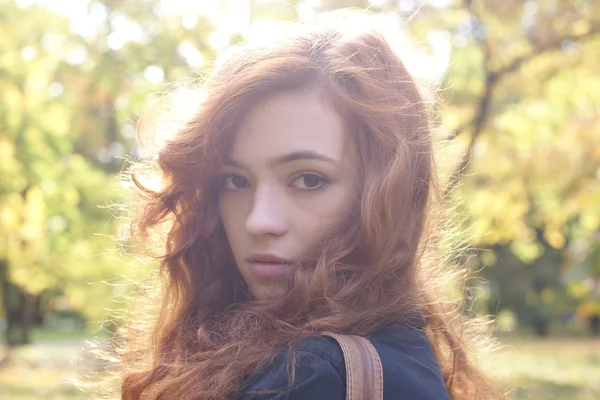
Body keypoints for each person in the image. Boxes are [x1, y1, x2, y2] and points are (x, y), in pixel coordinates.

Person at [118, 10, 502, 400]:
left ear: (386, 196)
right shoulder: (394, 347)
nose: (258, 220)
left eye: (308, 180)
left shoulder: (315, 376)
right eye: (235, 180)